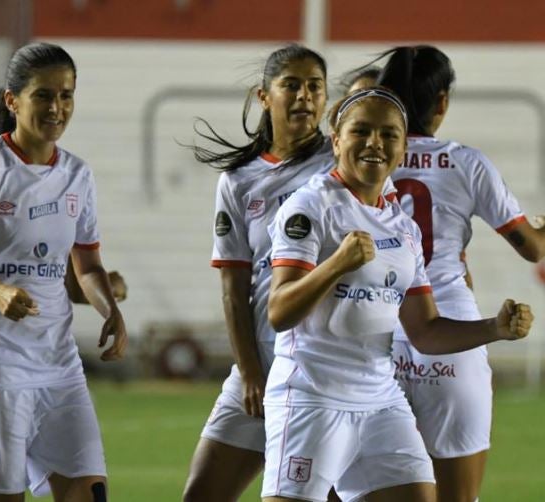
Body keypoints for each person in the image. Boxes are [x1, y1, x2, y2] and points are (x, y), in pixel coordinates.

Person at [261, 87, 533, 502]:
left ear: (403, 148)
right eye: (361, 131)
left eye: (389, 134)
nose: (375, 143)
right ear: (337, 140)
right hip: (313, 398)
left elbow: (424, 331)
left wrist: (494, 328)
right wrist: (336, 265)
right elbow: (279, 312)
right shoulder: (310, 207)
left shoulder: (402, 226)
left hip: (379, 400)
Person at [361, 46, 545, 502]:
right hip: (452, 336)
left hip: (375, 336)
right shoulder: (465, 163)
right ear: (442, 104)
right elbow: (531, 248)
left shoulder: (363, 161)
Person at [0, 42, 126, 502]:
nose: (57, 108)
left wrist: (108, 309)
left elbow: (88, 263)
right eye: (43, 96)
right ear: (13, 101)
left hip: (58, 365)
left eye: (66, 95)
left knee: (88, 491)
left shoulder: (77, 174)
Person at [182, 44, 333, 502]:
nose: (304, 96)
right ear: (264, 95)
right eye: (291, 85)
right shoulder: (238, 181)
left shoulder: (339, 168)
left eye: (315, 87)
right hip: (262, 361)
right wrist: (249, 372)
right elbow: (234, 289)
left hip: (323, 364)